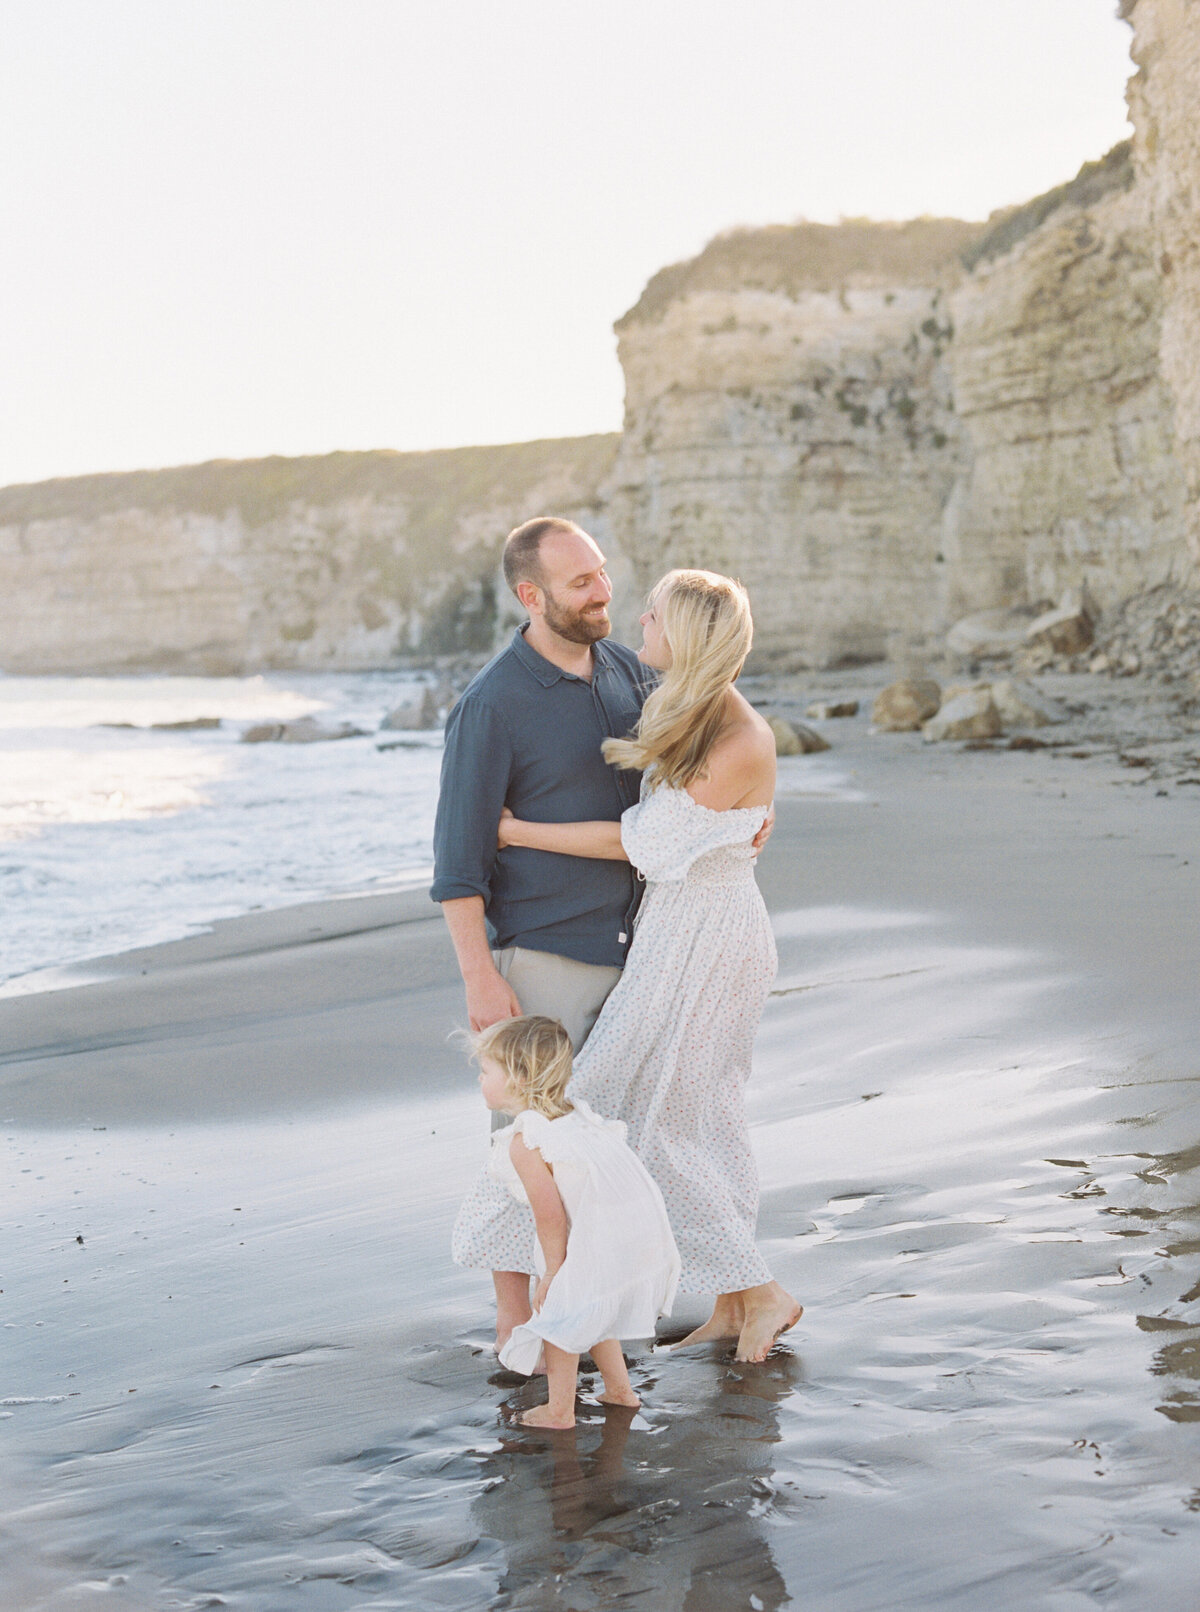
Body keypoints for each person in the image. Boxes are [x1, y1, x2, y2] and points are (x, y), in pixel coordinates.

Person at [457, 568, 801, 1364]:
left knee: (656, 1120)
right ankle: (733, 1301)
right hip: (678, 928)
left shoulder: (739, 735)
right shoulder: (692, 705)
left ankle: (763, 1291)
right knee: (692, 1118)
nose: (635, 621)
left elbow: (638, 840)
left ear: (682, 634)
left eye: (652, 614)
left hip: (709, 942)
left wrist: (516, 833)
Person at [432, 517, 656, 1350]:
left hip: (640, 949)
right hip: (543, 956)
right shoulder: (491, 705)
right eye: (581, 583)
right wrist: (481, 981)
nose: (603, 593)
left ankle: (592, 1305)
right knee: (522, 1148)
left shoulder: (626, 670)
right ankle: (513, 1314)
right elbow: (458, 863)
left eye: (601, 573)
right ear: (532, 597)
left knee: (603, 1147)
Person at [473, 1014, 680, 1430]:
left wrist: (552, 1272)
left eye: (485, 1070)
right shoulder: (576, 1116)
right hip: (629, 1228)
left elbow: (548, 1214)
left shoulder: (526, 1139)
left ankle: (559, 1411)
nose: (479, 1079)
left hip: (593, 1234)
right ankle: (620, 1391)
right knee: (593, 1307)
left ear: (517, 1078)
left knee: (561, 1314)